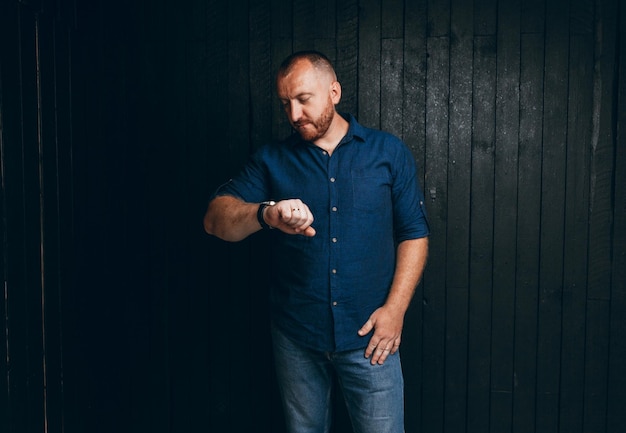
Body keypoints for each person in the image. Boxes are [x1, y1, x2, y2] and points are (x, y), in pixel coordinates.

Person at [204, 50, 429, 433]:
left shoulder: (388, 153)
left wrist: (396, 310)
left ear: (334, 92)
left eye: (303, 100)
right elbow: (214, 220)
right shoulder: (271, 160)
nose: (294, 115)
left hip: (371, 338)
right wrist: (267, 214)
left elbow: (415, 234)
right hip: (296, 339)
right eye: (285, 103)